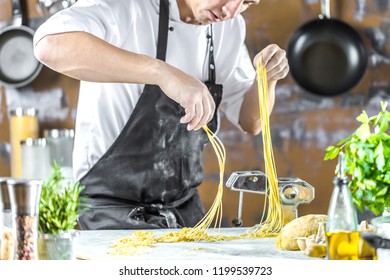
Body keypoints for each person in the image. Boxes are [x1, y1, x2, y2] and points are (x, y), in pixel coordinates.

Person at [33, 0, 289, 230]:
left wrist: (267, 80)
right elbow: (49, 45)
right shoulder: (129, 7)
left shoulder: (228, 28)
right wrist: (162, 73)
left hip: (184, 211)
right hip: (109, 210)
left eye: (246, 2)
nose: (231, 11)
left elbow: (251, 121)